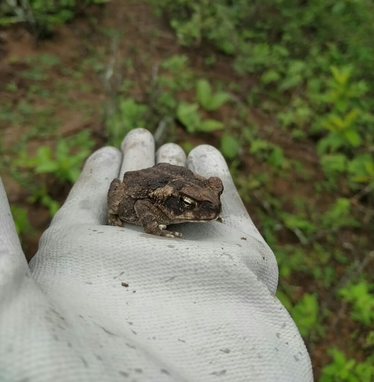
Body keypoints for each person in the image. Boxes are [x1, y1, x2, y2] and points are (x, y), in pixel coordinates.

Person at [0, 128, 313, 381]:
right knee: (121, 195)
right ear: (178, 204)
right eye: (191, 206)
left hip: (169, 183)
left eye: (215, 197)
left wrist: (202, 206)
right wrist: (152, 226)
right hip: (141, 190)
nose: (213, 206)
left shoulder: (196, 197)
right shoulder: (161, 202)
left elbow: (202, 194)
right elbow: (139, 204)